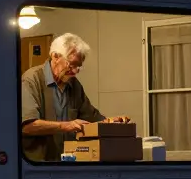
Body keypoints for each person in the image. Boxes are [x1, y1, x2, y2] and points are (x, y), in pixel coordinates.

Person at [20, 32, 130, 162]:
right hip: (38, 165)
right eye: (71, 64)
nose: (75, 71)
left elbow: (92, 118)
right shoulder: (31, 80)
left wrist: (111, 122)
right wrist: (66, 126)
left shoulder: (73, 84)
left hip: (67, 163)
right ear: (55, 56)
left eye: (79, 67)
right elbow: (27, 126)